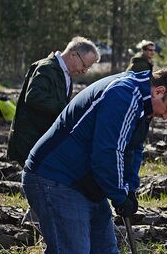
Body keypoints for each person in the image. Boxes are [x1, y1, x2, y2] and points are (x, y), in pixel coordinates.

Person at [22, 68, 167, 254]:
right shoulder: (123, 95)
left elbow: (133, 150)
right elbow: (107, 153)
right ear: (160, 91)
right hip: (55, 178)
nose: (166, 116)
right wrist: (118, 194)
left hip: (85, 182)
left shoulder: (143, 104)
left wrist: (130, 188)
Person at [7, 37, 99, 167]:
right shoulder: (46, 68)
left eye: (87, 68)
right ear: (73, 55)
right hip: (30, 139)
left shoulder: (65, 74)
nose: (84, 71)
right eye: (84, 65)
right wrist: (68, 109)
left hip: (43, 139)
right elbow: (34, 96)